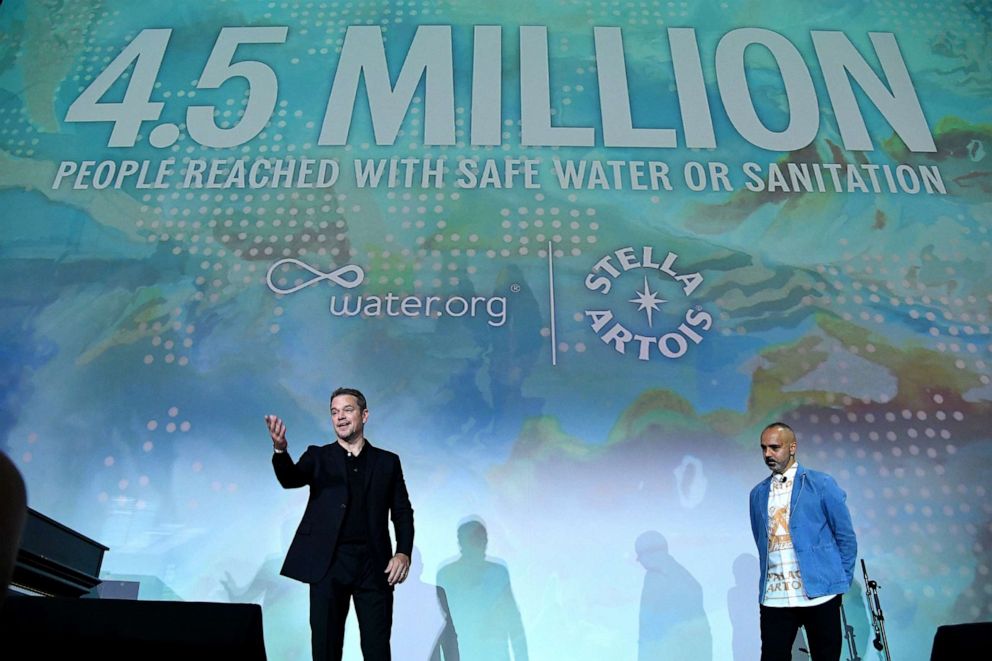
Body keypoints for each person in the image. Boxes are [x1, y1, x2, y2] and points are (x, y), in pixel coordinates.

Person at [266, 387, 414, 661]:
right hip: (328, 565)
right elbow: (290, 479)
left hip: (374, 565)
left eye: (347, 410)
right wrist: (280, 450)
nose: (340, 417)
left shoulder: (387, 462)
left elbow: (402, 512)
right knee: (325, 648)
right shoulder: (318, 457)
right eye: (334, 412)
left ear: (364, 414)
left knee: (378, 649)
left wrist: (403, 552)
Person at [748, 421, 857, 661]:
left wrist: (839, 582)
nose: (768, 454)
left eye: (774, 447)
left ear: (792, 447)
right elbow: (761, 540)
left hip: (819, 594)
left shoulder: (821, 484)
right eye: (763, 448)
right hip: (775, 598)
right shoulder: (757, 493)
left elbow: (846, 537)